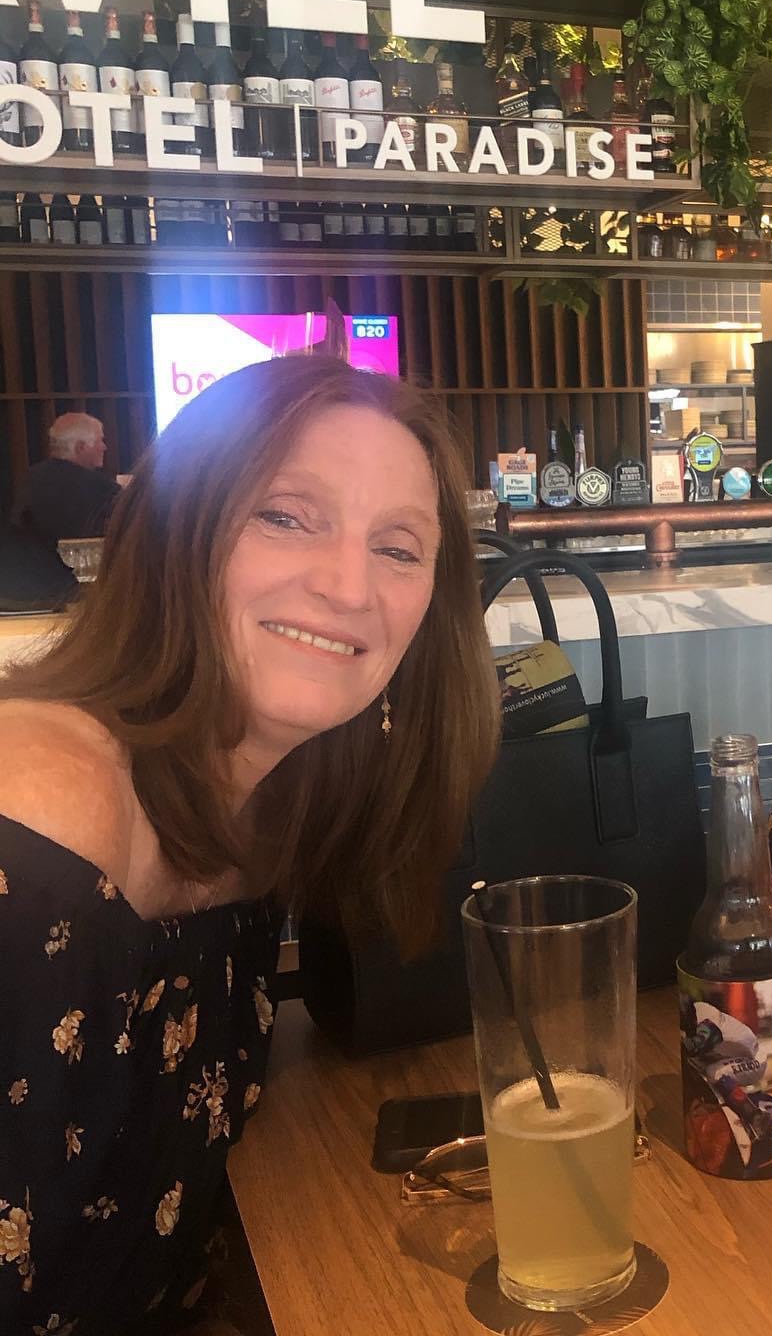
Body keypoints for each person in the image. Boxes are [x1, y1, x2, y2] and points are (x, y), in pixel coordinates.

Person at [0, 355, 500, 1332]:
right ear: (175, 532)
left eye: (398, 548)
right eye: (285, 516)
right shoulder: (43, 808)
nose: (348, 585)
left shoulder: (271, 815)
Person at [13, 412, 122, 548]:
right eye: (100, 440)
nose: (104, 447)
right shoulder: (104, 490)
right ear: (80, 447)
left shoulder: (30, 478)